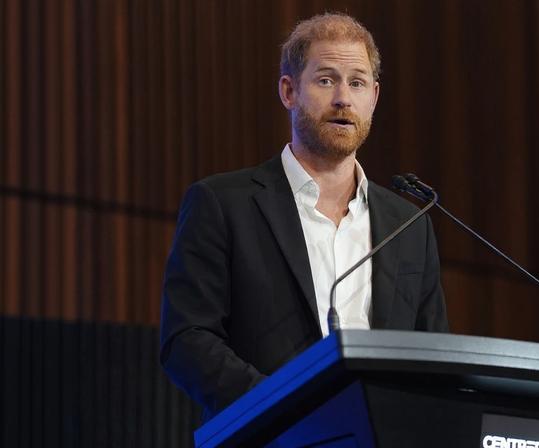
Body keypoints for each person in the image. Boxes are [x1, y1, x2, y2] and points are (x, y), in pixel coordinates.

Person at [159, 13, 448, 422]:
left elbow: (432, 355)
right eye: (326, 80)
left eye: (357, 82)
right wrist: (284, 409)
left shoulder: (409, 225)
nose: (343, 99)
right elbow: (186, 339)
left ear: (375, 97)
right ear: (289, 91)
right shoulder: (223, 204)